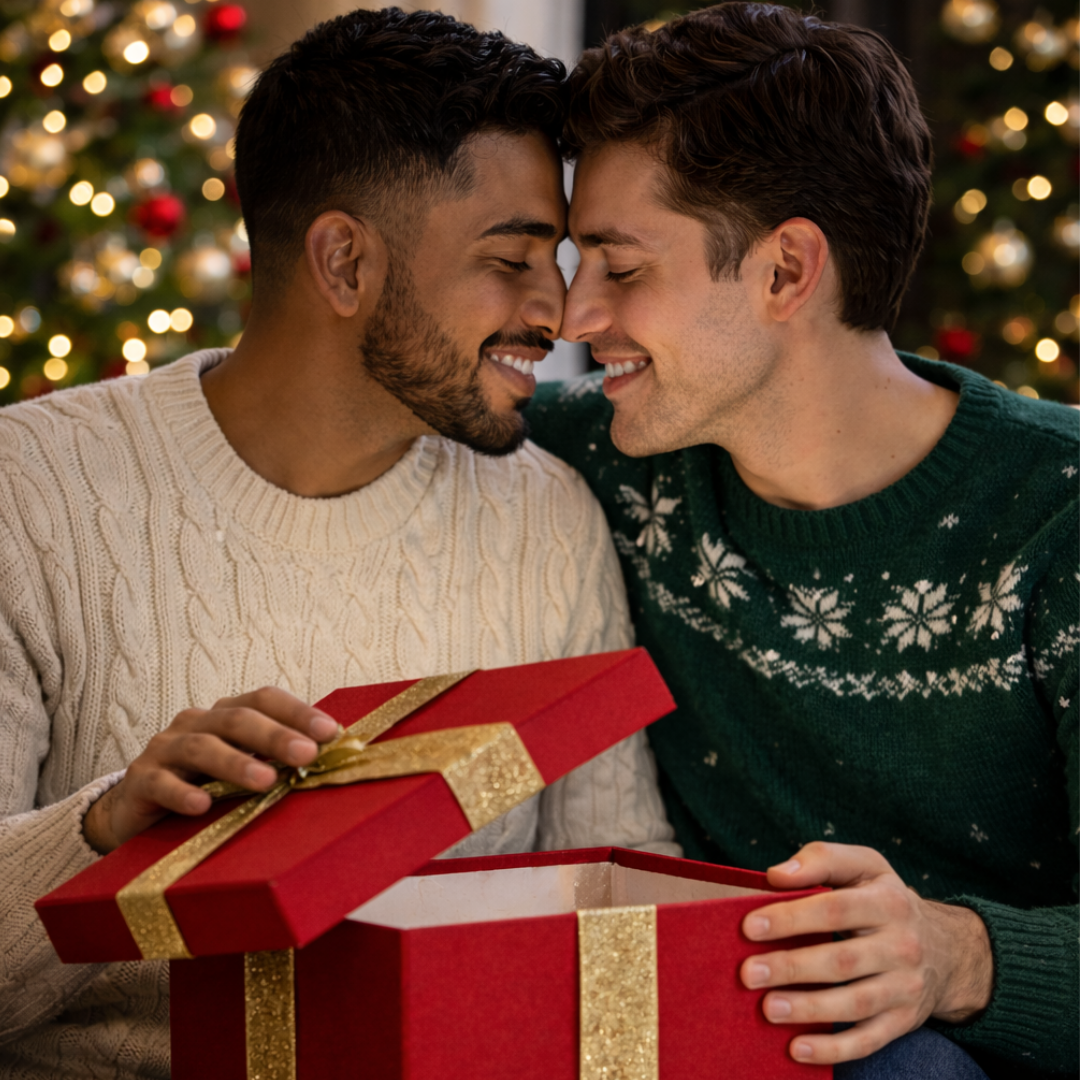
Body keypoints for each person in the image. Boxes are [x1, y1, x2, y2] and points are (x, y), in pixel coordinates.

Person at [0, 10, 678, 1077]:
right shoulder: (30, 492)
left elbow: (615, 901)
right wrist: (106, 831)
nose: (560, 309)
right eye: (510, 260)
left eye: (557, 257)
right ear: (344, 261)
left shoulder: (547, 517)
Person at [526, 5, 1077, 1079]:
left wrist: (963, 956)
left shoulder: (1057, 513)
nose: (571, 316)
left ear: (786, 273)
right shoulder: (601, 457)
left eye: (620, 267)